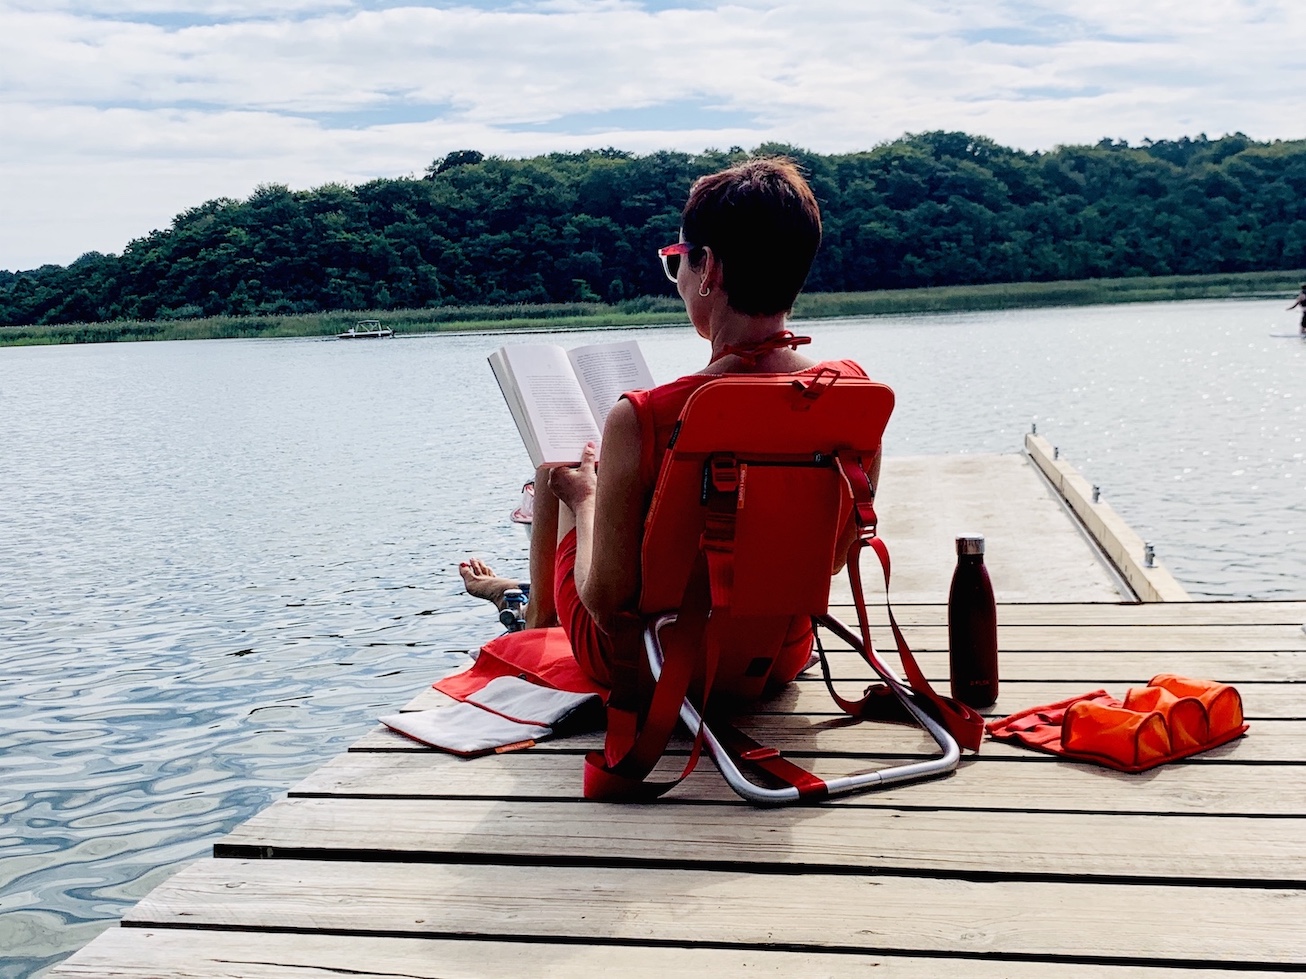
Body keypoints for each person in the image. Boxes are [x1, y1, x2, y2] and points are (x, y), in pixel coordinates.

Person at [461, 157, 876, 695]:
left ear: (710, 269)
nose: (678, 277)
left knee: (560, 467)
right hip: (777, 655)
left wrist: (586, 500)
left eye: (679, 259)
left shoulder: (645, 415)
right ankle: (527, 607)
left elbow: (608, 605)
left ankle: (538, 627)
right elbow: (839, 555)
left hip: (648, 666)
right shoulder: (852, 393)